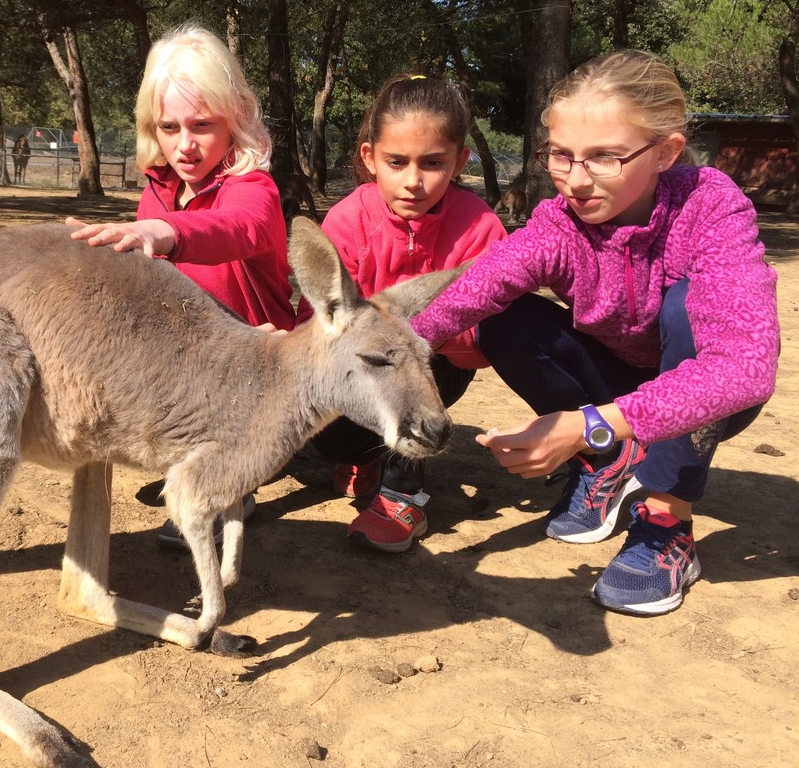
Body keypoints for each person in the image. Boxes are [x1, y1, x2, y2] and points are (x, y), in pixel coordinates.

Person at [412, 50, 779, 616]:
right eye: (561, 155)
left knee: (686, 310)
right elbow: (469, 292)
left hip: (698, 388)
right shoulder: (559, 223)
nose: (576, 182)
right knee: (503, 317)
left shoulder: (711, 209)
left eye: (604, 157)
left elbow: (743, 369)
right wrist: (389, 349)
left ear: (665, 151)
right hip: (615, 382)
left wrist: (586, 425)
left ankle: (665, 522)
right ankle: (611, 459)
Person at [67, 22, 298, 545]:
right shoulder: (161, 189)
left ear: (235, 118)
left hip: (255, 347)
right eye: (170, 128)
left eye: (202, 125)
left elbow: (242, 228)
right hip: (191, 345)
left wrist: (164, 230)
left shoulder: (253, 186)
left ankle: (223, 487)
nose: (185, 145)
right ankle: (213, 476)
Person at [310, 74, 508, 553]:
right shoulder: (346, 221)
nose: (413, 181)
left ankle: (403, 494)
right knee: (329, 441)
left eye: (434, 163)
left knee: (412, 374)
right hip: (357, 366)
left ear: (460, 161)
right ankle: (366, 457)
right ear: (369, 157)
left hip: (442, 362)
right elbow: (321, 321)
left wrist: (428, 337)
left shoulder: (480, 227)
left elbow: (489, 335)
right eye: (396, 162)